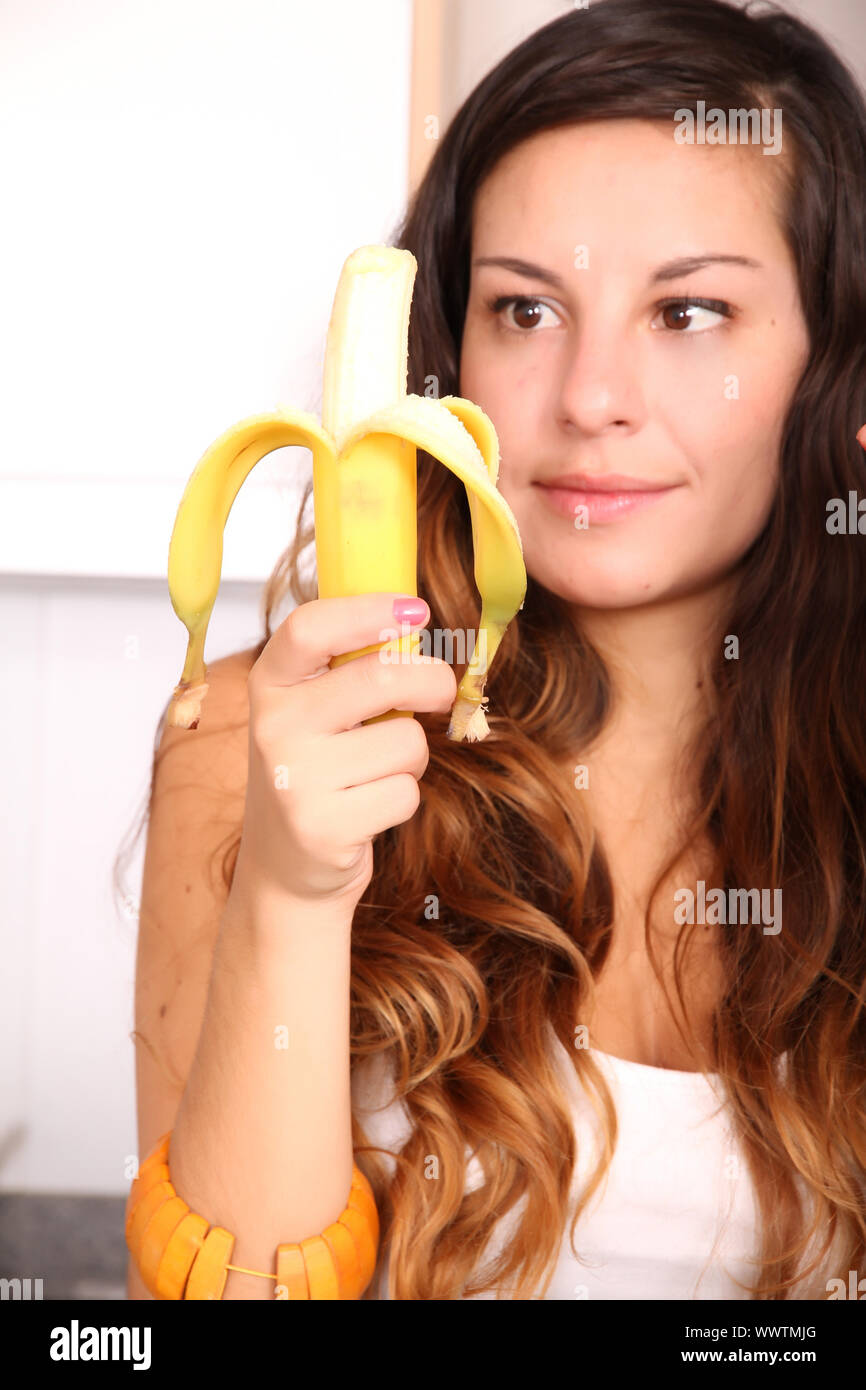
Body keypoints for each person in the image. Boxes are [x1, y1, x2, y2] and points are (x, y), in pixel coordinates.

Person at [119, 0, 866, 1300]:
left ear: (828, 365)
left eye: (687, 313)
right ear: (441, 354)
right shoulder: (259, 747)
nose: (587, 397)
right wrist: (292, 896)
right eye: (524, 310)